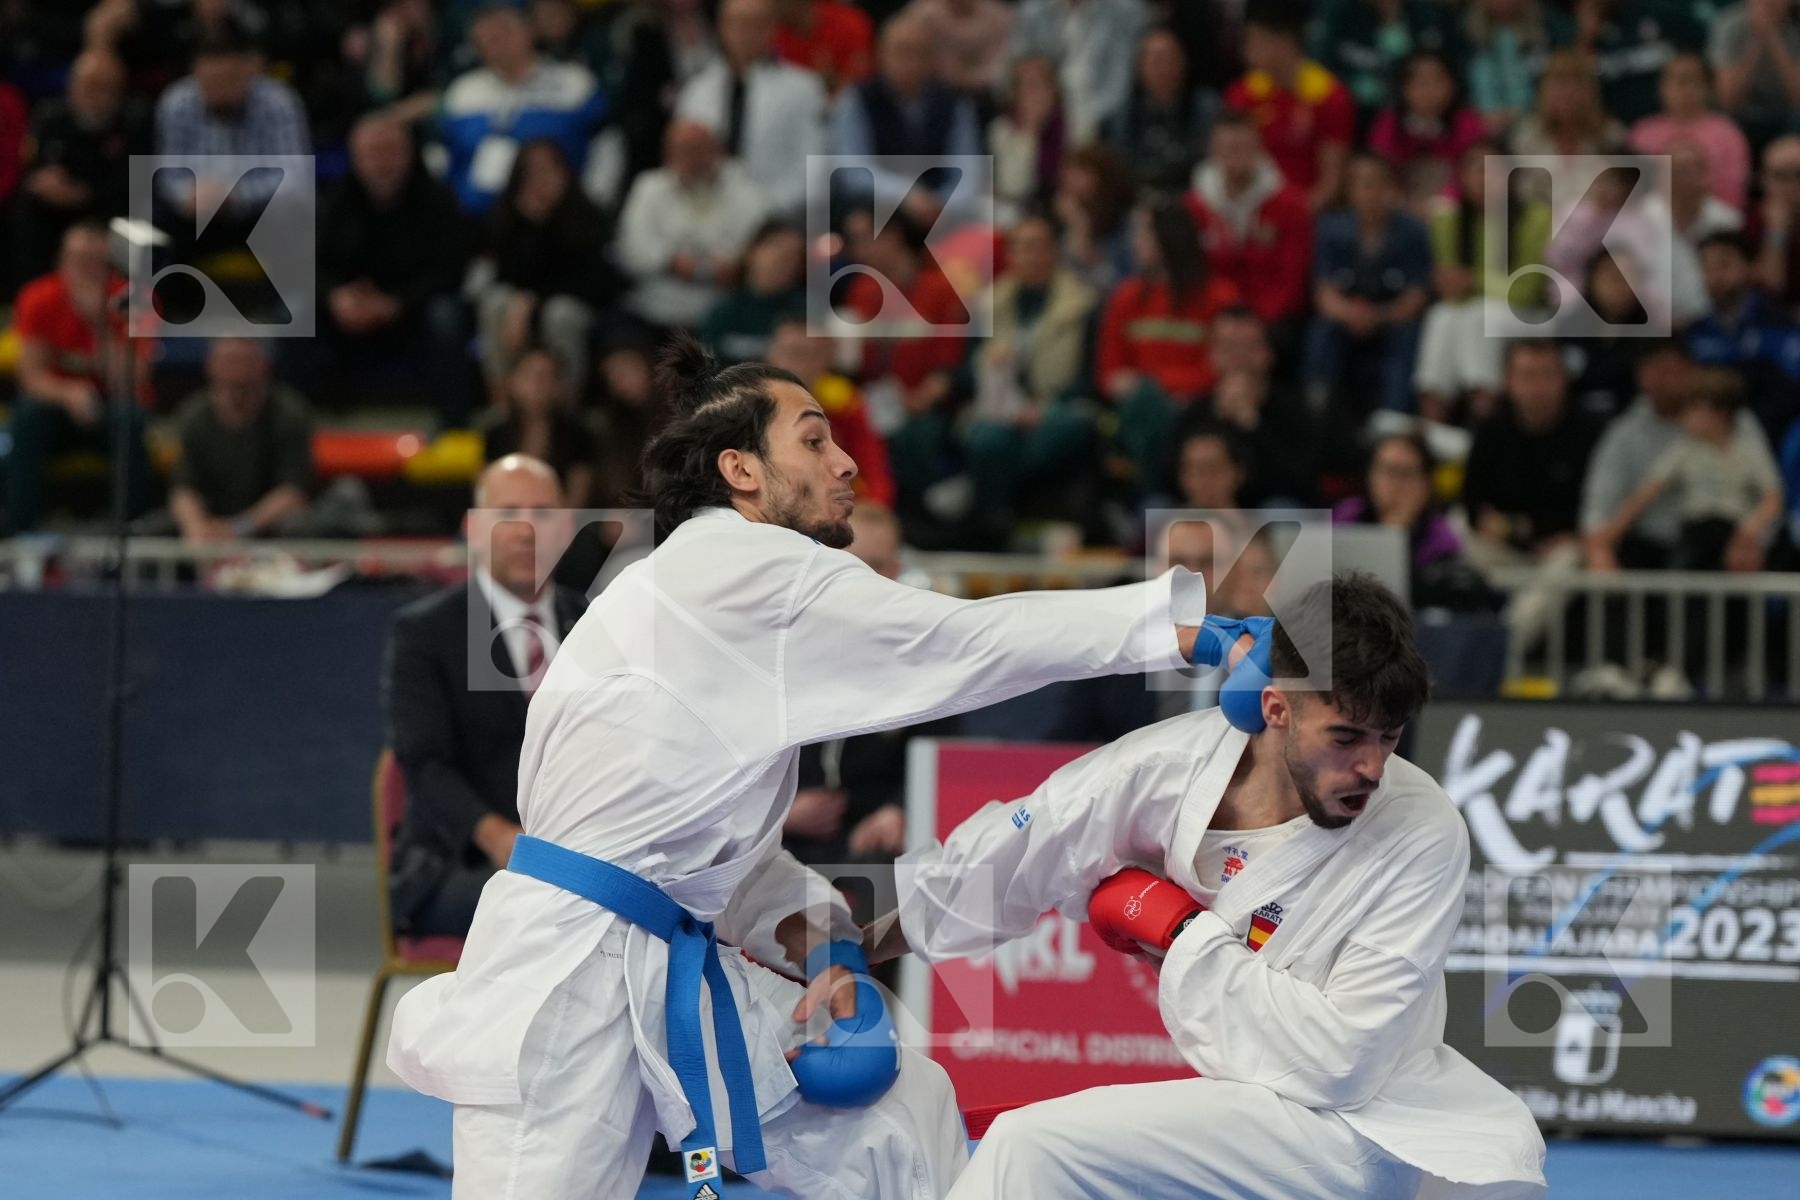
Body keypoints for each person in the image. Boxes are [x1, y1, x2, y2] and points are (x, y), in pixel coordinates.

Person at [386, 333, 1224, 1198]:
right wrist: (1173, 628)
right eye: (815, 440)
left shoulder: (696, 583)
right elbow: (964, 642)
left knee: (899, 1115)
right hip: (562, 979)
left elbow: (702, 853)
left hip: (657, 948)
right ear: (742, 470)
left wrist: (827, 941)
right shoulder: (750, 568)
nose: (847, 462)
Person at [856, 573, 1548, 1200]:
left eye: (1388, 738)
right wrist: (851, 953)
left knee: (1029, 1147)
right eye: (1345, 737)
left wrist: (1181, 931)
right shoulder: (1173, 766)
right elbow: (1024, 850)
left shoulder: (1421, 831)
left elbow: (1344, 1061)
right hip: (1247, 1111)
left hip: (1362, 1131)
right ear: (1277, 708)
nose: (1369, 766)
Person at [383, 455, 589, 940]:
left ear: (564, 528)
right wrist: (500, 838)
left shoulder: (598, 622)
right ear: (474, 531)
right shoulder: (426, 632)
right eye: (509, 513)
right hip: (457, 861)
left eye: (542, 515)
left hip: (581, 858)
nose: (526, 531)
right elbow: (424, 763)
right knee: (557, 913)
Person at [5, 221, 155, 535]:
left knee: (132, 422)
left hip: (114, 406)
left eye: (94, 263)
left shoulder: (136, 299)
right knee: (26, 419)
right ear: (60, 262)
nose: (86, 272)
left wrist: (98, 321)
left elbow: (131, 381)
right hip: (58, 406)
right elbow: (31, 377)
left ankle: (128, 532)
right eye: (78, 262)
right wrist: (69, 393)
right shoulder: (39, 297)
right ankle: (21, 534)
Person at [167, 337, 315, 542]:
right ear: (210, 365)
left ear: (262, 365)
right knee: (153, 529)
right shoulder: (193, 414)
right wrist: (196, 528)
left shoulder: (289, 412)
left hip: (268, 526)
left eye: (243, 360)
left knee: (299, 526)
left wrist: (238, 528)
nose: (236, 370)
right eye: (229, 360)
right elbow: (183, 488)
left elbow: (293, 492)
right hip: (211, 521)